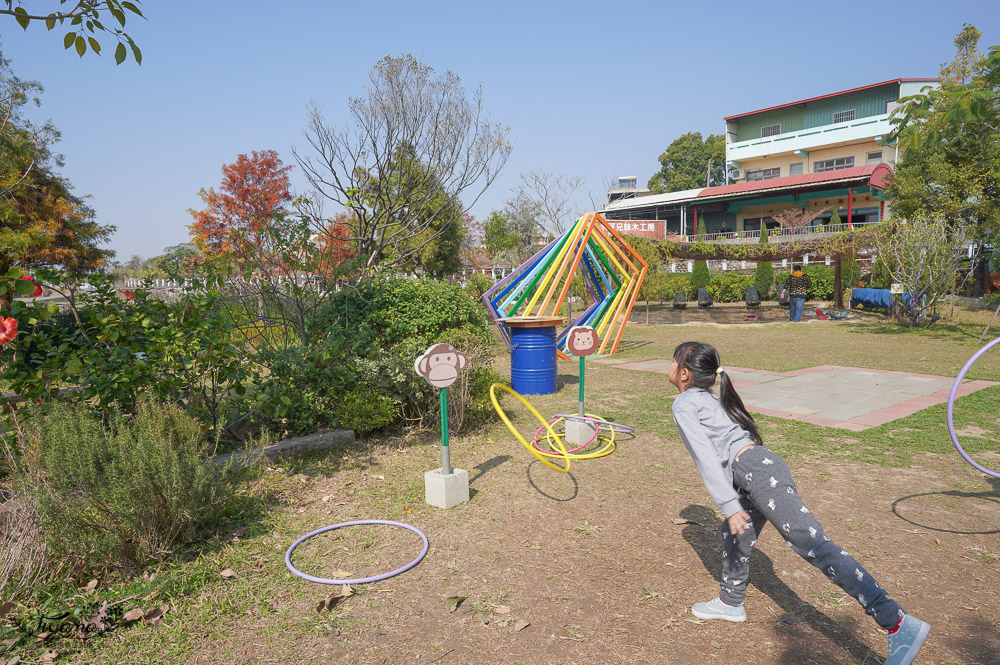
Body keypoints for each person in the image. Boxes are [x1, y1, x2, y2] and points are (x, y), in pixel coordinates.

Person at [667, 341, 929, 665]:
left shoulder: (686, 403)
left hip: (756, 474)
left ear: (683, 372)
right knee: (734, 534)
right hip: (758, 470)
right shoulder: (712, 396)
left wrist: (729, 505)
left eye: (672, 361)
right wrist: (735, 504)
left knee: (816, 547)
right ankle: (730, 602)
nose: (669, 367)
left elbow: (705, 457)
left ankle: (897, 622)